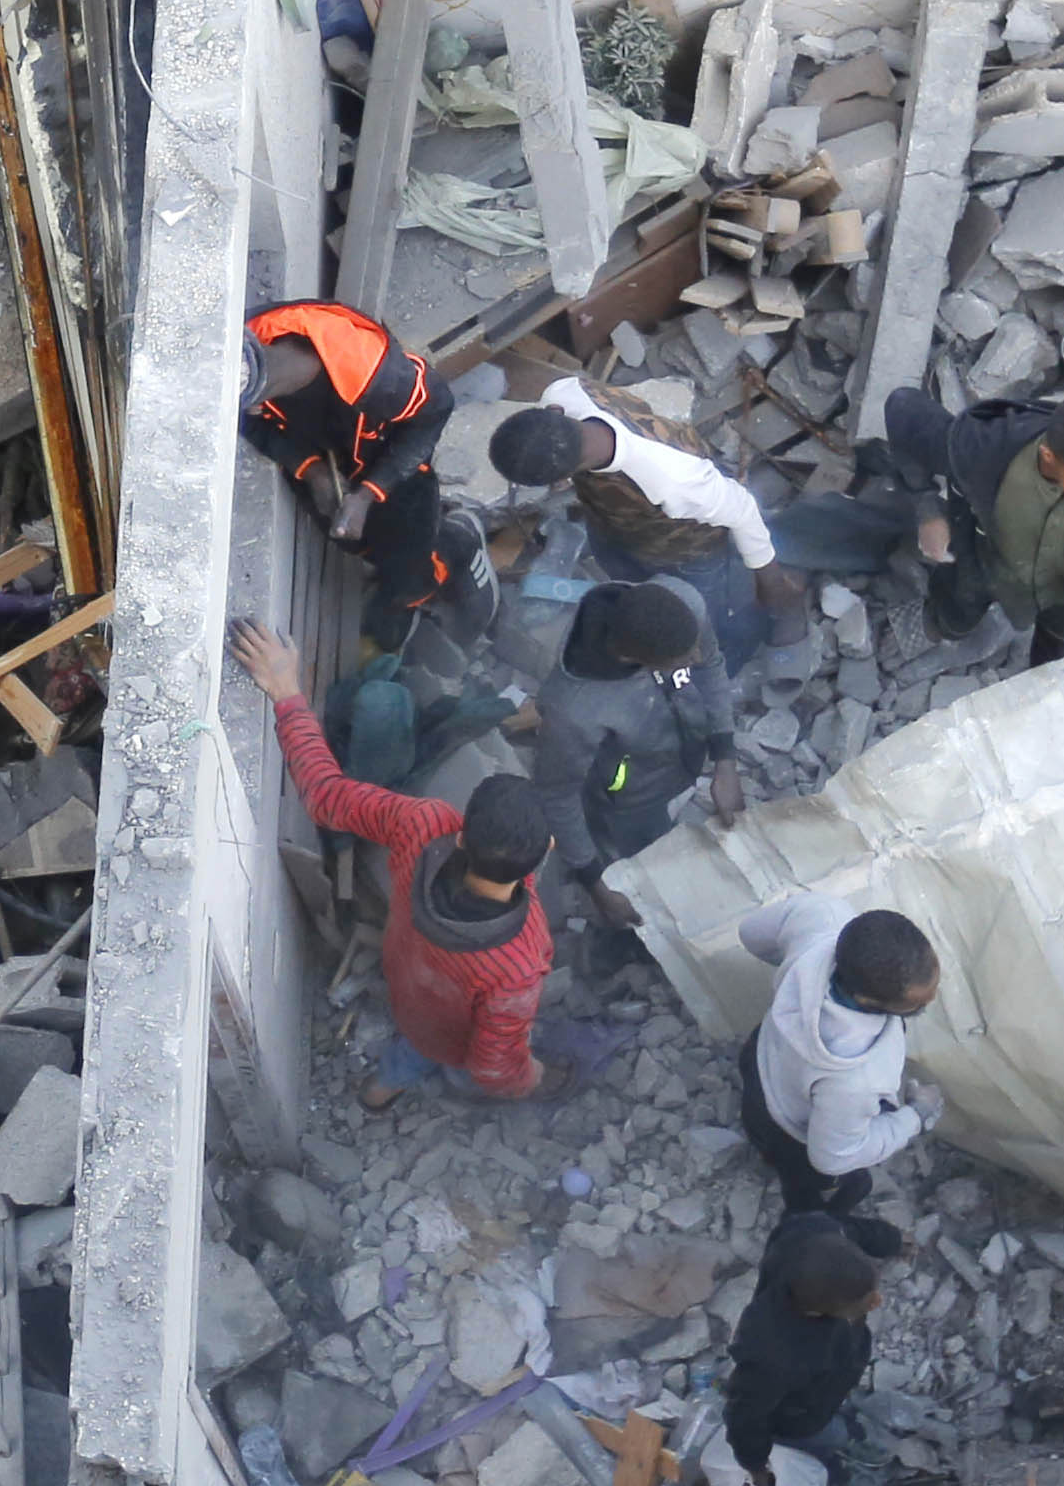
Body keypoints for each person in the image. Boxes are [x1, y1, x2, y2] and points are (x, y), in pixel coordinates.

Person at [231, 618, 555, 1106]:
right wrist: (528, 1078)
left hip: (406, 980)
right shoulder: (518, 964)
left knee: (411, 1047)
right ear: (546, 849)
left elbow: (326, 795)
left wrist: (286, 692)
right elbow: (493, 1065)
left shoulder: (423, 825)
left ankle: (378, 1092)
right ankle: (393, 1090)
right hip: (446, 1034)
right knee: (434, 1052)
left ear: (462, 834)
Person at [811, 385, 1064, 732]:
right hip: (985, 556)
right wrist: (928, 509)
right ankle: (939, 625)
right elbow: (902, 407)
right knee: (959, 607)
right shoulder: (983, 444)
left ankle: (1043, 689)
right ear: (1048, 457)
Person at [486, 379, 823, 673]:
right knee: (630, 583)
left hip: (688, 551)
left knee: (699, 617)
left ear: (561, 479)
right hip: (613, 524)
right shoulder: (563, 394)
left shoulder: (670, 480)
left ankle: (720, 660)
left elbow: (743, 510)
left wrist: (770, 582)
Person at [240, 299, 465, 649]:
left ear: (259, 399)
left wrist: (369, 493)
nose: (253, 413)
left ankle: (419, 588)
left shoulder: (378, 376)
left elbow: (435, 411)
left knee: (409, 554)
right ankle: (380, 564)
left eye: (252, 409)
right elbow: (256, 428)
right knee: (351, 536)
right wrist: (313, 472)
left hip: (393, 465)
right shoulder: (245, 352)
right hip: (327, 460)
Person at [726, 893, 938, 1215]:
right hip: (786, 1129)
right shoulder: (855, 1078)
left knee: (754, 1106)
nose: (931, 1001)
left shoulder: (824, 917)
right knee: (815, 1182)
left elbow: (750, 933)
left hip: (761, 1054)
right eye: (917, 1004)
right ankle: (815, 1218)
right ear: (867, 1000)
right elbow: (832, 1158)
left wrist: (795, 972)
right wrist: (915, 1116)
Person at [702, 1208, 899, 1486]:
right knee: (816, 1434)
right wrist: (755, 1464)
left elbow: (849, 1227)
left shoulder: (814, 1233)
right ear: (818, 1312)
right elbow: (745, 1416)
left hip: (830, 1377)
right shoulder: (772, 1355)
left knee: (834, 1418)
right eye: (863, 1302)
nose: (877, 1301)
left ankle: (842, 1431)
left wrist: (891, 1241)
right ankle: (830, 1469)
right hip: (798, 1413)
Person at [527, 579, 747, 864]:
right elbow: (557, 794)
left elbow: (710, 665)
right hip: (629, 802)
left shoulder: (682, 606)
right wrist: (590, 873)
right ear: (634, 659)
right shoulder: (574, 710)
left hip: (679, 762)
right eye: (683, 659)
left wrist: (724, 759)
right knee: (644, 852)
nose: (697, 657)